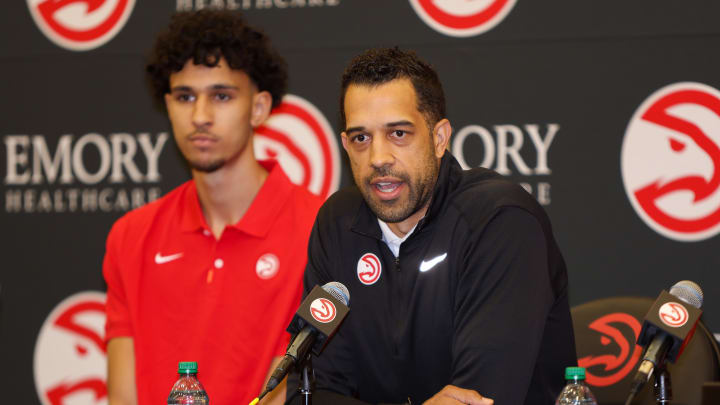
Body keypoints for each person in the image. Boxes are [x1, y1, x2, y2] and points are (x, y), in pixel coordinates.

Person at [302, 48, 577, 405]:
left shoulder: (499, 221)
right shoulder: (337, 224)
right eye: (361, 138)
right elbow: (313, 390)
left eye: (399, 133)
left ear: (439, 138)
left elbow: (479, 398)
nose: (378, 158)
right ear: (345, 146)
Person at [103, 10, 323, 405]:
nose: (200, 116)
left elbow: (297, 388)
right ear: (167, 104)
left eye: (221, 96)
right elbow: (123, 396)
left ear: (258, 107)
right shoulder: (131, 236)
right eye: (185, 96)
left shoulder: (318, 229)